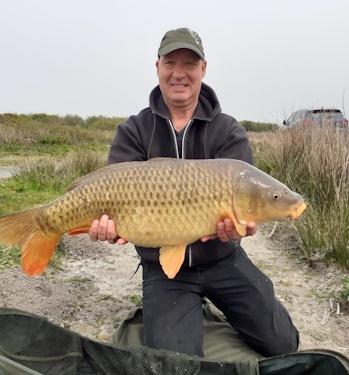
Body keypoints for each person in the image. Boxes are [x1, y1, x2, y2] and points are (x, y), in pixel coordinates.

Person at [88, 27, 299, 358]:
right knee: (177, 362)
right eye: (171, 62)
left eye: (189, 62)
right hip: (164, 269)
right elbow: (110, 200)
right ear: (157, 66)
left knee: (284, 344)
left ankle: (206, 309)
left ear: (203, 68)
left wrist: (240, 228)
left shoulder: (229, 131)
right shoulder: (134, 130)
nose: (179, 73)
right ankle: (180, 311)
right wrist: (109, 228)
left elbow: (247, 214)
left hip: (222, 260)